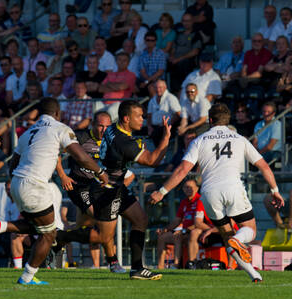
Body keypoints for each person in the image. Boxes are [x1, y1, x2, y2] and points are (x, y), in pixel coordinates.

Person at [0, 97, 108, 285]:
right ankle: (27, 277)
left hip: (17, 183)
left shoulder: (28, 132)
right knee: (49, 234)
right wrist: (100, 172)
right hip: (35, 185)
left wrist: (11, 182)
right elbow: (81, 156)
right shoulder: (61, 128)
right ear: (58, 113)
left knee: (40, 228)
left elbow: (13, 162)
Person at [150, 103, 285, 282]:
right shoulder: (240, 139)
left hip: (209, 194)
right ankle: (239, 242)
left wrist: (161, 192)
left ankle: (253, 274)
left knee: (227, 236)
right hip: (233, 189)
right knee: (249, 230)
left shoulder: (200, 140)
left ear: (210, 120)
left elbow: (183, 169)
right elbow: (263, 166)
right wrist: (275, 190)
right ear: (227, 120)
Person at [88, 99, 171, 280]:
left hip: (115, 186)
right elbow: (152, 161)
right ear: (126, 118)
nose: (142, 119)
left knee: (140, 219)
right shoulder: (124, 142)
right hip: (106, 190)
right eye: (139, 116)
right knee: (103, 237)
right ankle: (59, 236)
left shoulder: (112, 128)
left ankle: (137, 269)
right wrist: (166, 138)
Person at [54, 111, 125, 273]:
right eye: (100, 125)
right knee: (102, 221)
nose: (104, 129)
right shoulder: (80, 138)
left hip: (99, 189)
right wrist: (63, 175)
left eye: (107, 126)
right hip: (78, 186)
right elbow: (56, 153)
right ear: (92, 124)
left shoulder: (113, 141)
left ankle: (61, 237)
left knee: (97, 227)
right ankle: (113, 262)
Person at [97, 52, 136, 121]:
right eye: (119, 60)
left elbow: (121, 87)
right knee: (94, 108)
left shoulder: (131, 75)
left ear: (128, 62)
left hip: (119, 103)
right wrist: (116, 87)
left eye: (124, 60)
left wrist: (108, 84)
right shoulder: (110, 74)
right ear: (116, 61)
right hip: (104, 102)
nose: (121, 62)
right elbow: (100, 89)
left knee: (107, 115)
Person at [169, 13, 202, 94]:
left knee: (183, 63)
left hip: (188, 61)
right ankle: (173, 91)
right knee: (169, 63)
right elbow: (173, 48)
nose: (186, 23)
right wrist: (172, 57)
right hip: (176, 60)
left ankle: (182, 90)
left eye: (188, 21)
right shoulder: (178, 34)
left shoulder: (196, 35)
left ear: (192, 22)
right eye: (184, 21)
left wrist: (179, 59)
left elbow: (195, 51)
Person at [147, 80, 181, 146]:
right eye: (156, 87)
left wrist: (168, 124)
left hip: (167, 127)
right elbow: (149, 115)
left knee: (157, 134)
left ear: (165, 87)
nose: (158, 89)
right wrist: (149, 127)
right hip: (155, 127)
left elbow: (178, 114)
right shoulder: (152, 99)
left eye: (160, 87)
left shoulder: (171, 98)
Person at [138, 31, 166, 97]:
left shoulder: (161, 53)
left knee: (151, 87)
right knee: (132, 86)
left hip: (158, 80)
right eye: (148, 40)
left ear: (155, 42)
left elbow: (160, 72)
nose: (150, 42)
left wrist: (147, 81)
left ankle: (155, 106)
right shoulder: (142, 54)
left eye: (152, 40)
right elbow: (142, 71)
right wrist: (148, 81)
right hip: (145, 79)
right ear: (145, 41)